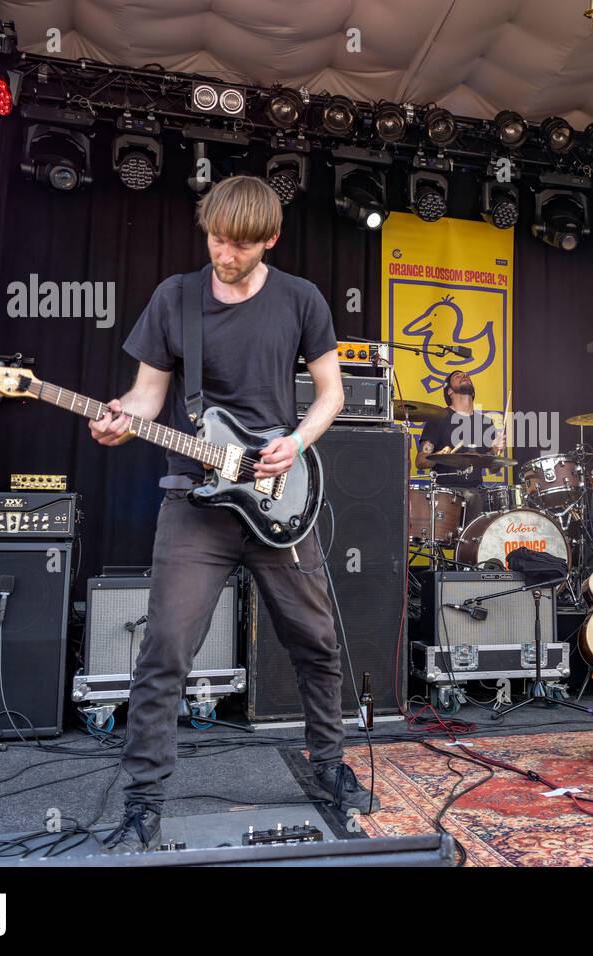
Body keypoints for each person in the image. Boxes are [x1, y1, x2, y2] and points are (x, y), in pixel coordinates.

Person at [92, 176, 378, 852]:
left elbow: (331, 392)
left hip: (279, 496)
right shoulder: (176, 298)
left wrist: (297, 443)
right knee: (164, 651)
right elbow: (146, 394)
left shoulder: (301, 299)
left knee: (316, 642)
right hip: (196, 504)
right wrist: (120, 419)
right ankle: (141, 805)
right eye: (217, 239)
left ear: (269, 240)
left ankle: (330, 770)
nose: (225, 254)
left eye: (240, 245)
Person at [415, 369, 506, 523]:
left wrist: (495, 451)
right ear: (449, 391)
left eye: (466, 375)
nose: (465, 376)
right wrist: (441, 455)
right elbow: (420, 461)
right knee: (473, 497)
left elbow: (493, 468)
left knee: (502, 503)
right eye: (458, 376)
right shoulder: (438, 418)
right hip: (447, 492)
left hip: (477, 488)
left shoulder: (485, 423)